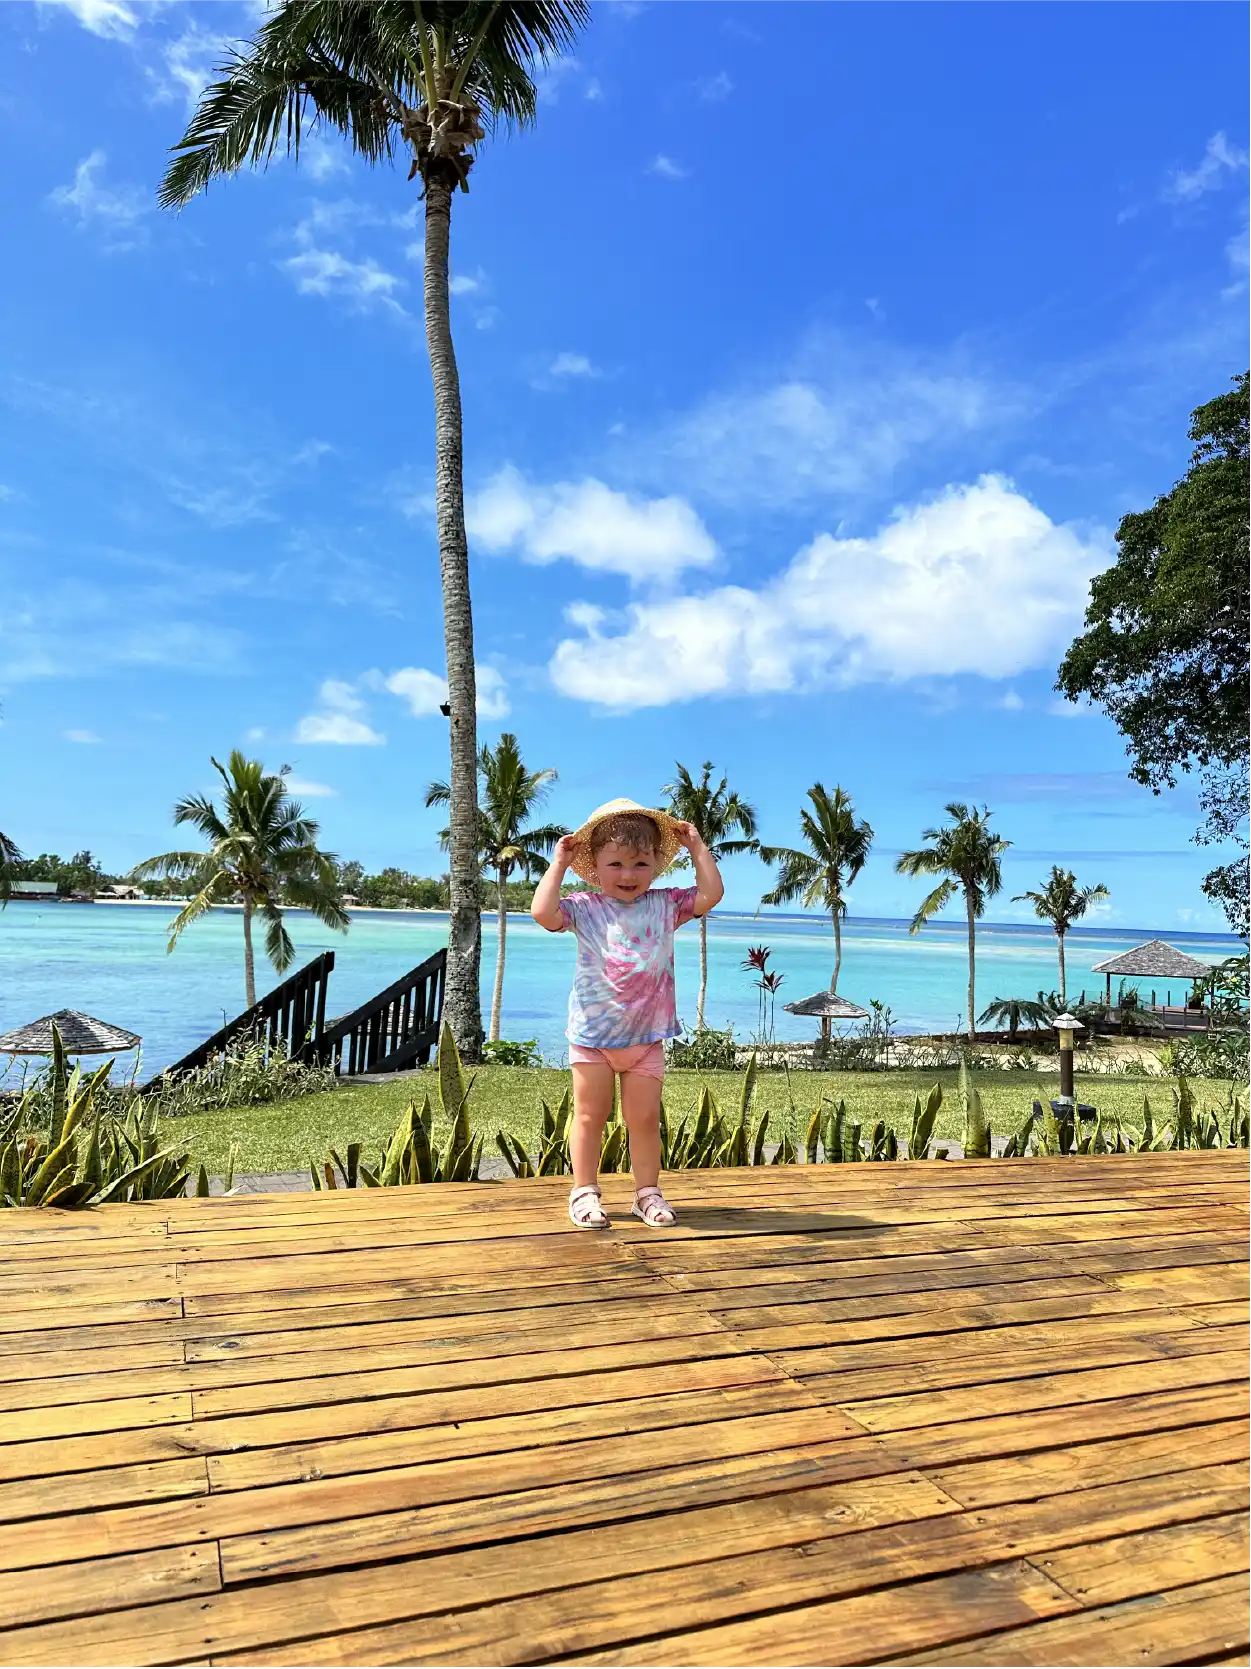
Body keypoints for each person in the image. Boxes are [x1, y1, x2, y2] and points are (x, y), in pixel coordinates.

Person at [530, 798, 725, 1228]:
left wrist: (697, 847)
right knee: (589, 1116)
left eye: (640, 864)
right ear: (594, 866)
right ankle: (584, 1193)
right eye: (615, 864)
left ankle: (646, 1194)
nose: (628, 875)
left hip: (645, 1040)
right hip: (593, 1038)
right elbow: (543, 912)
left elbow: (711, 894)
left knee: (644, 1120)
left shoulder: (666, 904)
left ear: (656, 864)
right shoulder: (584, 907)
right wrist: (558, 864)